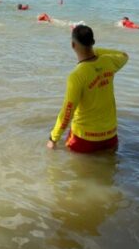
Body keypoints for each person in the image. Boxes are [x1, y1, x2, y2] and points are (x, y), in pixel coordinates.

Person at [47, 24, 128, 154]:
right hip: (110, 137)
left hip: (83, 139)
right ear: (93, 43)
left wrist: (53, 138)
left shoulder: (77, 75)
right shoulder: (108, 62)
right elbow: (124, 55)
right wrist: (95, 51)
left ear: (73, 45)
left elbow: (67, 112)